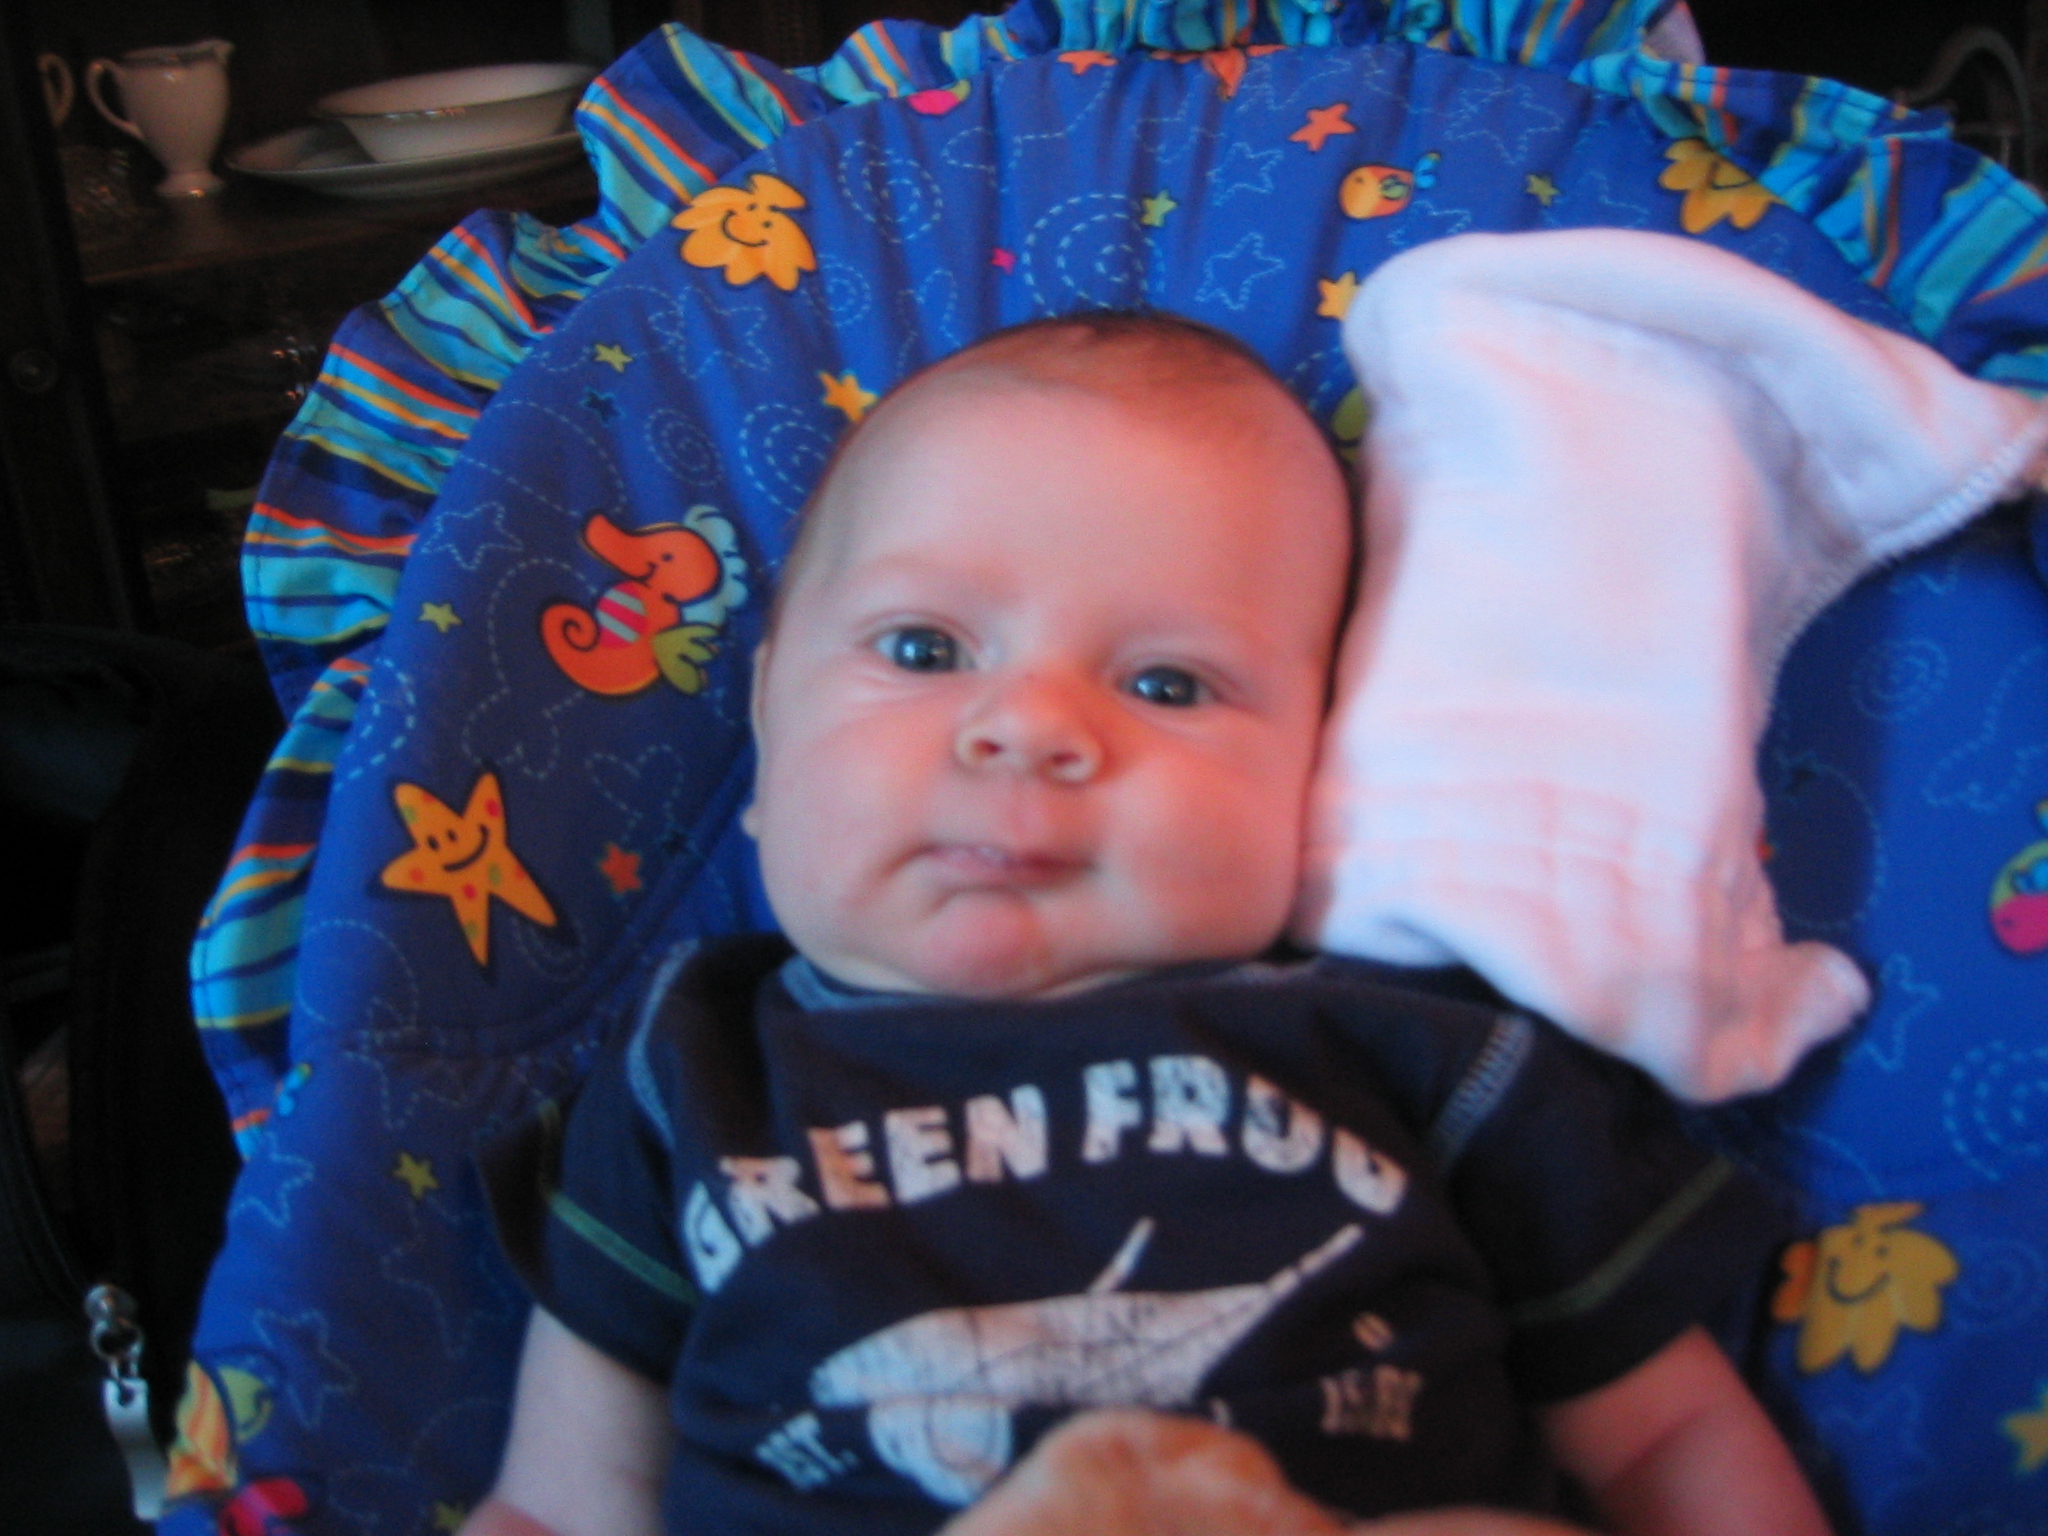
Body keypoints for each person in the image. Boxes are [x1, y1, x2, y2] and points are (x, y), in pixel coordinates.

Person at [461, 313, 1831, 1536]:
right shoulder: (684, 1079)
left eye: (1168, 684)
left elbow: (1664, 1439)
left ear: (1324, 764)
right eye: (924, 649)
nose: (1028, 726)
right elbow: (562, 1505)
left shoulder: (1431, 1055)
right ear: (766, 724)